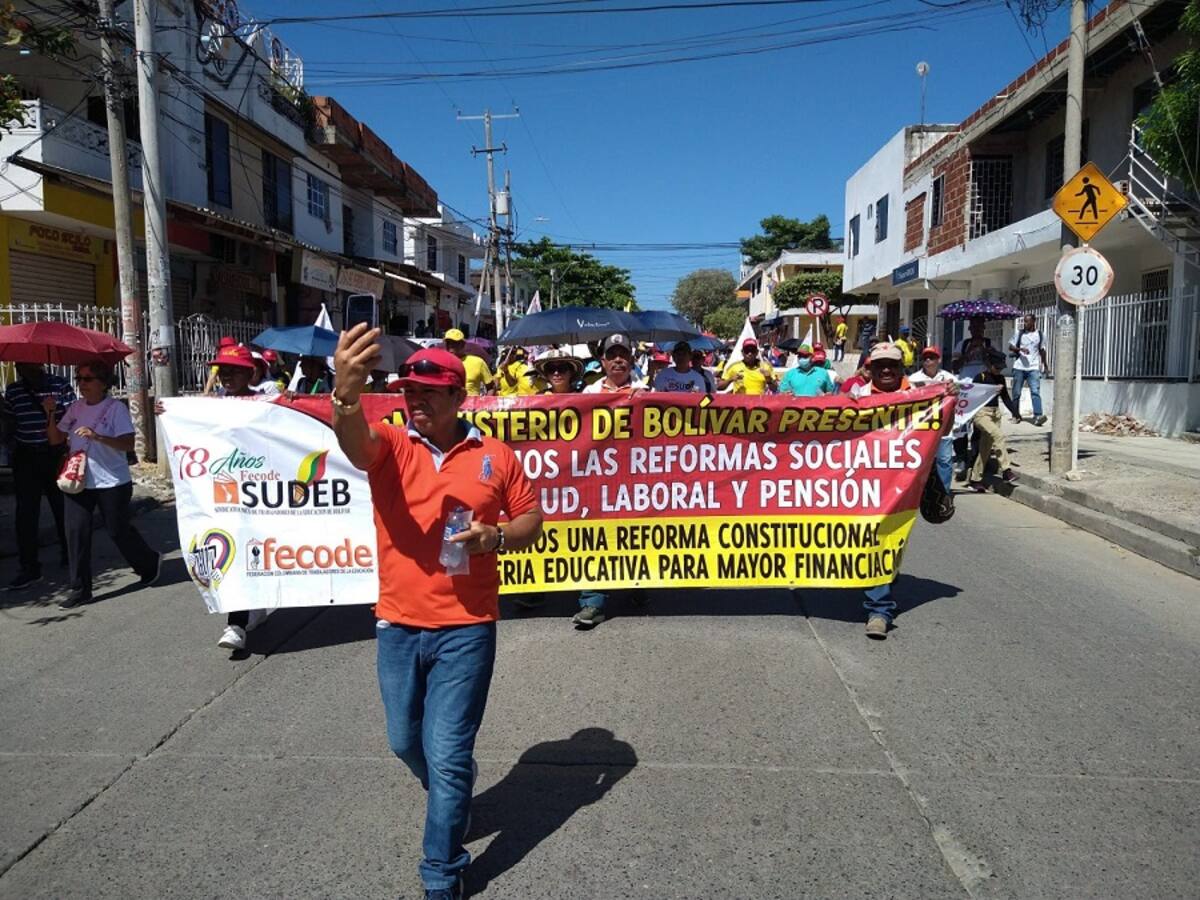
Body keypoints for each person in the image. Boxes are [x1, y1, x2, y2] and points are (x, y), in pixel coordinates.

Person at [331, 327, 543, 899]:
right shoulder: (394, 445)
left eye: (428, 392)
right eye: (408, 391)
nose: (415, 400)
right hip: (398, 624)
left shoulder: (494, 455)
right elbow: (356, 445)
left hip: (467, 629)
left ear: (458, 396)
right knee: (405, 742)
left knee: (448, 754)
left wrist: (493, 536)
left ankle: (440, 874)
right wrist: (345, 399)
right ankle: (453, 796)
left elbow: (530, 521)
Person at [46, 360, 161, 609]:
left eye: (88, 379)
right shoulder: (75, 408)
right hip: (79, 481)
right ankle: (80, 589)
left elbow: (129, 444)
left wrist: (97, 436)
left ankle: (148, 562)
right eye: (79, 379)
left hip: (112, 482)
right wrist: (50, 412)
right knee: (75, 532)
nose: (82, 384)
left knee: (117, 530)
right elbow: (56, 439)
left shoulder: (115, 409)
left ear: (103, 383)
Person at [202, 345, 274, 649]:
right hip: (225, 494)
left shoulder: (267, 402)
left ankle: (248, 611)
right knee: (232, 554)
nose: (227, 376)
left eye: (234, 370)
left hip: (263, 492)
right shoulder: (211, 405)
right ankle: (236, 623)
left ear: (250, 373)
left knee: (257, 552)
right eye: (222, 371)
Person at [577, 334, 646, 627]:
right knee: (595, 537)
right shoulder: (586, 395)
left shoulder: (647, 392)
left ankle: (640, 585)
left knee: (636, 535)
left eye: (623, 354)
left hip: (636, 478)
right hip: (597, 479)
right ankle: (593, 601)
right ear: (602, 360)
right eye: (612, 354)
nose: (618, 359)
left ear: (631, 360)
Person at [848, 342, 910, 639]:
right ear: (869, 368)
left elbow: (944, 427)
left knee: (891, 539)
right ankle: (880, 608)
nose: (886, 370)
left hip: (906, 482)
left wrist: (947, 398)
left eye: (892, 365)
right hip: (866, 484)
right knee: (875, 537)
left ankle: (883, 583)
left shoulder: (921, 394)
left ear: (902, 368)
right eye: (879, 365)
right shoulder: (856, 396)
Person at [2, 363, 74, 588]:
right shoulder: (14, 390)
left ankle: (70, 555)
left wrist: (52, 411)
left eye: (27, 365)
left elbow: (72, 416)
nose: (22, 368)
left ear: (39, 364)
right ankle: (29, 567)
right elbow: (10, 422)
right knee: (26, 513)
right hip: (26, 456)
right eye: (19, 365)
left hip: (53, 454)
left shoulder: (59, 385)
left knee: (62, 507)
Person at [968, 350, 1020, 492]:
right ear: (988, 364)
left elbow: (1006, 398)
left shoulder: (1001, 379)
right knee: (998, 435)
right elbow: (972, 398)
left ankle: (975, 479)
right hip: (981, 414)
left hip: (995, 414)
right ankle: (1006, 470)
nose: (998, 370)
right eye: (996, 367)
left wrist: (1016, 412)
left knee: (985, 449)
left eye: (1001, 368)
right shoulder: (980, 377)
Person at [909, 346, 958, 492]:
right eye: (926, 358)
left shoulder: (950, 378)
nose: (928, 361)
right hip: (922, 429)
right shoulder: (913, 379)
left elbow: (960, 397)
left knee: (944, 461)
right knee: (921, 462)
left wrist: (956, 391)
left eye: (932, 357)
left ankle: (944, 494)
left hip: (943, 427)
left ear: (939, 360)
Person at [1008, 314, 1047, 425]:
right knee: (1016, 392)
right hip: (1019, 367)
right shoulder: (1020, 334)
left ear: (1034, 321)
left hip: (1033, 367)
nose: (1025, 324)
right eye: (1024, 321)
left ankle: (1038, 416)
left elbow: (1042, 351)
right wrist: (1020, 349)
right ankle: (1015, 415)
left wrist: (1045, 365)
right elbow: (1010, 346)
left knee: (1035, 392)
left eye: (1027, 321)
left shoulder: (1040, 334)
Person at [444, 328, 493, 397]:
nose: (450, 347)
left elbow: (491, 388)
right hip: (451, 407)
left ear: (462, 344)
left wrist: (484, 404)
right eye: (448, 343)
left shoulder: (478, 362)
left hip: (473, 407)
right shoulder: (442, 364)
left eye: (454, 343)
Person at [953, 316, 992, 380]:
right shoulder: (962, 344)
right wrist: (968, 352)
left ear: (984, 328)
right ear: (969, 328)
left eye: (979, 327)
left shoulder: (990, 344)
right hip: (966, 381)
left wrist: (984, 352)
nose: (977, 330)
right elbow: (954, 367)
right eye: (974, 327)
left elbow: (996, 368)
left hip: (985, 381)